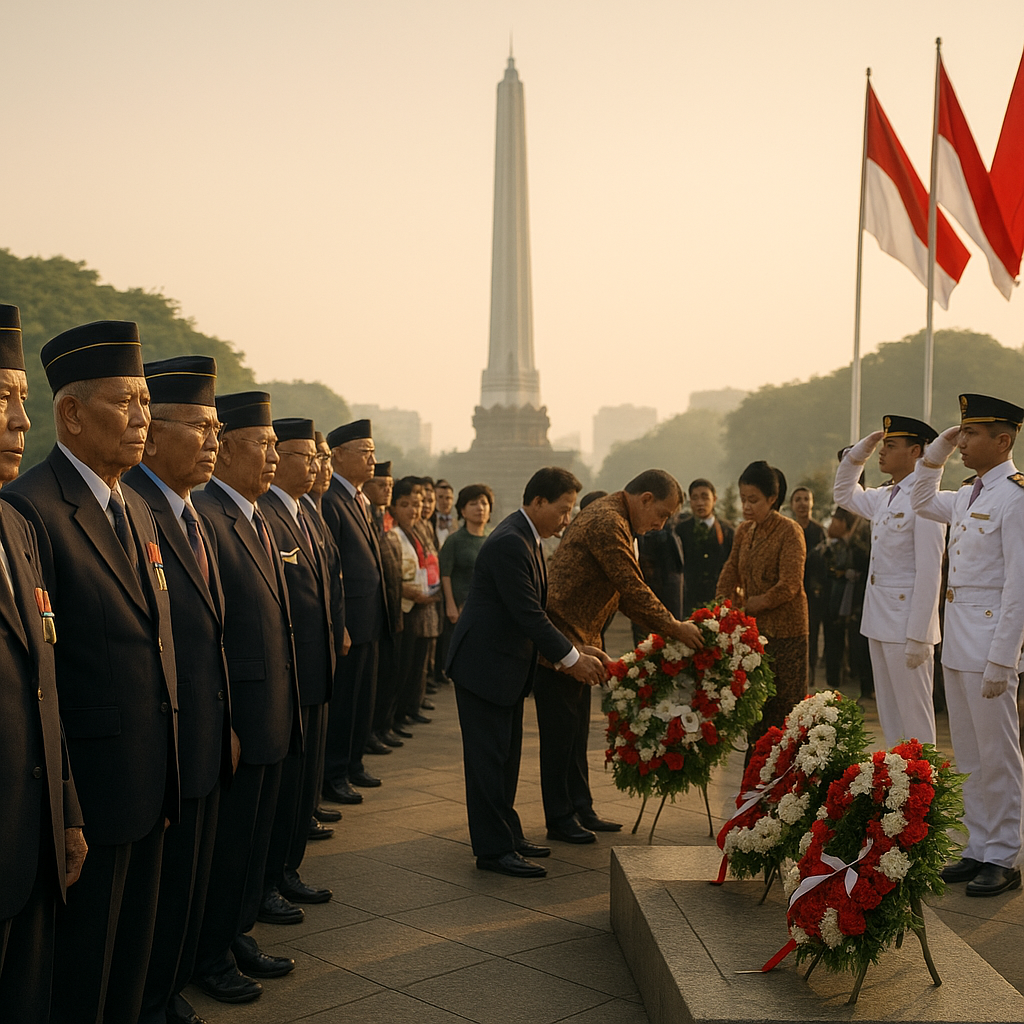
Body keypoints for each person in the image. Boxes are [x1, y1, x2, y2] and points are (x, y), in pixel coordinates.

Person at [3, 319, 180, 1024]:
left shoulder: (136, 505)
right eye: (126, 402)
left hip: (148, 773)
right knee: (79, 976)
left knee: (129, 967)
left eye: (146, 402)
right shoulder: (34, 510)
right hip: (84, 789)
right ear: (72, 413)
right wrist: (69, 802)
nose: (142, 418)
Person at [126, 355, 235, 1024]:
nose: (213, 442)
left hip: (202, 728)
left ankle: (172, 984)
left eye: (218, 429)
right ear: (155, 432)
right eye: (200, 427)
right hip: (148, 744)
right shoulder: (136, 510)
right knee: (153, 893)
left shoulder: (194, 515)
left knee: (193, 878)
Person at [193, 392, 302, 1002]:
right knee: (228, 844)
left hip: (271, 706)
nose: (271, 457)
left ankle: (236, 935)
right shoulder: (211, 515)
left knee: (252, 839)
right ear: (228, 450)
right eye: (261, 446)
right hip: (240, 710)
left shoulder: (255, 515)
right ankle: (212, 955)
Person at [447, 467, 606, 877]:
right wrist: (572, 660)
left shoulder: (528, 538)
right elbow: (528, 614)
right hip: (484, 667)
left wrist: (574, 648)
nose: (566, 519)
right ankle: (493, 850)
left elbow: (536, 615)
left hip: (507, 668)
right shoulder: (510, 543)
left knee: (506, 758)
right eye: (562, 509)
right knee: (488, 762)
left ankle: (508, 835)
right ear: (537, 502)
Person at [538, 471, 706, 843]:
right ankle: (559, 816)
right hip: (561, 638)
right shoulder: (607, 521)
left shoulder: (619, 519)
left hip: (583, 636)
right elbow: (632, 587)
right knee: (560, 734)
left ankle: (580, 806)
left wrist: (669, 626)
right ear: (644, 498)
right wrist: (676, 627)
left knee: (577, 729)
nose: (660, 525)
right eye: (660, 515)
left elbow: (627, 595)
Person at [0, 304, 85, 1023]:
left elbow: (40, 685)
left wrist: (67, 810)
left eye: (23, 398)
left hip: (29, 844)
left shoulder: (14, 525)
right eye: (2, 397)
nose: (23, 422)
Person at [911, 394, 1024, 897]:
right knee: (970, 754)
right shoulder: (968, 493)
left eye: (971, 433)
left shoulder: (1016, 497)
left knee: (999, 755)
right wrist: (933, 454)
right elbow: (919, 500)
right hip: (958, 637)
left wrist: (1005, 656)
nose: (962, 440)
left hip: (990, 640)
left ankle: (1004, 855)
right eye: (960, 431)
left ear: (1004, 440)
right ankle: (979, 845)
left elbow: (1019, 585)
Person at [258, 418, 336, 918]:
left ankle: (287, 871)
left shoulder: (304, 511)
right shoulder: (265, 512)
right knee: (280, 794)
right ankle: (269, 881)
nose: (314, 465)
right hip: (283, 677)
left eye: (316, 457)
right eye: (304, 456)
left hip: (311, 667)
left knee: (301, 785)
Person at [834, 417, 945, 745]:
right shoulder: (885, 497)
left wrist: (920, 636)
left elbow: (929, 572)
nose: (882, 452)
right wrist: (858, 455)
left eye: (890, 446)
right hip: (879, 620)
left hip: (906, 625)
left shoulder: (926, 501)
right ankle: (899, 787)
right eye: (882, 445)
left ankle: (924, 788)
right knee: (890, 717)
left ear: (915, 452)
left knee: (915, 718)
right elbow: (844, 493)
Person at [321, 420, 390, 804]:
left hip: (370, 619)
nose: (372, 460)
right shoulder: (332, 500)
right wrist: (340, 622)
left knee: (364, 698)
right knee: (345, 701)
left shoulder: (358, 500)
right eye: (365, 452)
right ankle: (335, 773)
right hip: (350, 621)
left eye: (373, 452)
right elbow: (334, 568)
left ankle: (353, 763)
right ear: (339, 456)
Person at [716, 461, 807, 745]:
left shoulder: (790, 531)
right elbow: (730, 569)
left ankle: (782, 779)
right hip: (756, 633)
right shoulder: (744, 531)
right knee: (757, 709)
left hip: (787, 633)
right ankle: (754, 778)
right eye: (743, 500)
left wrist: (752, 604)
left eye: (753, 500)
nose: (746, 507)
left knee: (783, 710)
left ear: (772, 499)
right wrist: (721, 604)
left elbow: (789, 584)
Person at [391, 478, 443, 733]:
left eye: (417, 504)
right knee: (403, 666)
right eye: (406, 504)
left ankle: (411, 707)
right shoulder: (392, 533)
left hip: (423, 601)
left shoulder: (419, 529)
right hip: (404, 607)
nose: (413, 510)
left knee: (417, 664)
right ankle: (397, 715)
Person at [366, 462, 407, 748]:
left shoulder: (384, 519)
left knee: (392, 673)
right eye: (382, 485)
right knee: (371, 684)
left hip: (392, 608)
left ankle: (383, 726)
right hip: (371, 613)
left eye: (390, 485)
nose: (387, 490)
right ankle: (370, 733)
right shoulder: (365, 515)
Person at [820, 508, 869, 692]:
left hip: (857, 600)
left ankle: (864, 684)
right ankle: (834, 681)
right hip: (835, 599)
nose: (832, 524)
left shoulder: (859, 540)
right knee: (834, 639)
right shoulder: (832, 545)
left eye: (835, 520)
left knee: (859, 643)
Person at [677, 478, 734, 616]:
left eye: (705, 497)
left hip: (717, 599)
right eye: (695, 498)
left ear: (714, 499)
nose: (700, 503)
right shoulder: (680, 530)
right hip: (688, 598)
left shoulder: (728, 531)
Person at [440, 483, 493, 625]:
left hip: (488, 606)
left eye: (484, 503)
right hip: (461, 607)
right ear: (463, 511)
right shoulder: (454, 540)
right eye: (473, 504)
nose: (480, 508)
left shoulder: (494, 539)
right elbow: (445, 575)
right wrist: (450, 605)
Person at [790, 487, 827, 682]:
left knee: (812, 632)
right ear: (792, 505)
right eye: (798, 499)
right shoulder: (789, 529)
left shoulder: (819, 530)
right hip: (791, 589)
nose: (802, 503)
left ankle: (810, 668)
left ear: (812, 503)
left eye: (806, 499)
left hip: (814, 591)